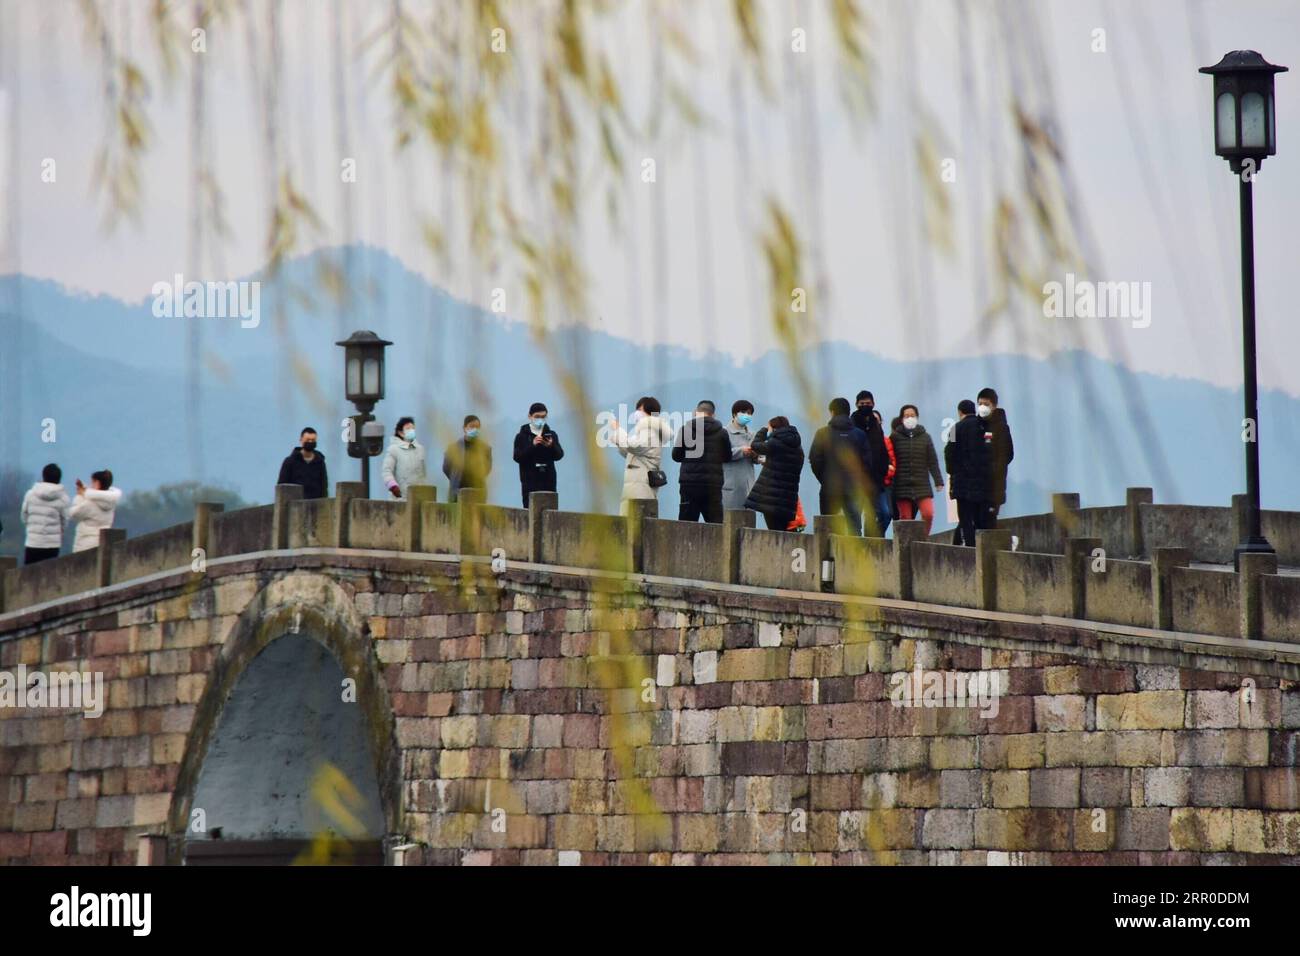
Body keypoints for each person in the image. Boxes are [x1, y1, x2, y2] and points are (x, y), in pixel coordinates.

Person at [809, 397, 872, 534]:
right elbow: (867, 463)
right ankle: (854, 555)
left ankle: (827, 556)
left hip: (830, 487)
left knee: (827, 527)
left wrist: (824, 479)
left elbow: (814, 459)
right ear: (849, 412)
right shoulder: (859, 435)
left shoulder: (822, 433)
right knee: (854, 527)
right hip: (854, 488)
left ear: (832, 412)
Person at [671, 400, 731, 523]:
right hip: (713, 485)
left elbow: (676, 456)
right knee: (716, 524)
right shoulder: (722, 432)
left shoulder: (685, 429)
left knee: (686, 524)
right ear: (713, 414)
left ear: (696, 413)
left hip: (689, 484)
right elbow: (727, 457)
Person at [612, 396, 675, 513]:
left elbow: (633, 446)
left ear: (649, 412)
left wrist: (618, 431)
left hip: (641, 486)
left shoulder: (650, 430)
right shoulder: (647, 431)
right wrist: (618, 438)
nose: (636, 413)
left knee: (637, 523)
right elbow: (629, 452)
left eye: (639, 410)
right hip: (636, 484)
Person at [890, 405, 944, 535]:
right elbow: (890, 457)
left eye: (912, 415)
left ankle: (923, 539)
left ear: (917, 417)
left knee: (928, 513)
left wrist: (938, 480)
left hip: (922, 485)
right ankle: (907, 546)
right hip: (902, 485)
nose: (910, 418)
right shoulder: (895, 437)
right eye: (906, 416)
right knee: (905, 520)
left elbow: (932, 460)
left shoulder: (925, 437)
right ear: (902, 418)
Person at [945, 399, 992, 547]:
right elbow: (991, 449)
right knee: (980, 518)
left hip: (962, 482)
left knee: (965, 519)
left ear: (960, 412)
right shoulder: (985, 427)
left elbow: (949, 453)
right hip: (982, 481)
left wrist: (952, 471)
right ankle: (983, 549)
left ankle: (971, 549)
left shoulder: (954, 429)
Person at [744, 416, 804, 530]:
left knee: (774, 533)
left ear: (774, 429)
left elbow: (755, 445)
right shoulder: (797, 447)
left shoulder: (775, 443)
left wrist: (763, 431)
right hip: (788, 499)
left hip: (772, 498)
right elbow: (783, 463)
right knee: (784, 533)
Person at [850, 390, 891, 535]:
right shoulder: (852, 424)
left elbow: (882, 450)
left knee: (885, 514)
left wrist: (883, 470)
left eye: (868, 403)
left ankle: (874, 539)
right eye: (862, 404)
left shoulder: (876, 425)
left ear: (873, 404)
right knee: (855, 516)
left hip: (876, 480)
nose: (865, 406)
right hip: (857, 480)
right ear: (856, 404)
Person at [513, 403, 565, 507]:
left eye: (543, 417)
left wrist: (551, 446)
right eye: (537, 417)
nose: (540, 419)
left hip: (548, 482)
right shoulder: (521, 436)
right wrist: (532, 445)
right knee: (530, 513)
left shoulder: (551, 435)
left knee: (550, 513)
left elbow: (559, 455)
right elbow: (517, 457)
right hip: (530, 483)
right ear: (530, 416)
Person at [977, 387, 1015, 527]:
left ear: (994, 406)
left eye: (986, 404)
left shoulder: (1001, 427)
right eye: (980, 404)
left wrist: (995, 469)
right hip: (977, 486)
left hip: (994, 485)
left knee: (990, 522)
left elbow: (1008, 454)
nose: (983, 407)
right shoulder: (976, 426)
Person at [20, 463, 70, 565]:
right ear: (59, 478)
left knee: (29, 576)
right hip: (52, 544)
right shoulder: (63, 498)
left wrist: (32, 527)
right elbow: (65, 521)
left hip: (33, 542)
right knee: (49, 577)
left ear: (43, 476)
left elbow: (24, 516)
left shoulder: (30, 494)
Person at [69, 469, 123, 552]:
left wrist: (80, 496)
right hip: (103, 541)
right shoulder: (111, 503)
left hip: (85, 543)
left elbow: (73, 513)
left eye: (92, 482)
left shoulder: (90, 504)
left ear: (97, 483)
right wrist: (86, 493)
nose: (91, 485)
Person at [442, 415, 492, 503]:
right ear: (465, 428)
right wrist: (456, 477)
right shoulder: (454, 447)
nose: (475, 429)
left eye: (477, 427)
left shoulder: (485, 448)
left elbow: (487, 467)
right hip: (457, 492)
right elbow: (446, 467)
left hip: (478, 492)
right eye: (472, 426)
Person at [722, 400, 758, 511]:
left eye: (749, 413)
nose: (747, 415)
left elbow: (757, 459)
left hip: (748, 485)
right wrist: (741, 451)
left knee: (748, 522)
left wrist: (756, 456)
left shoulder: (753, 434)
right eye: (743, 412)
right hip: (731, 485)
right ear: (734, 414)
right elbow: (721, 453)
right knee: (729, 522)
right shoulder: (724, 432)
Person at [277, 426, 329, 499]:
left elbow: (324, 486)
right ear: (301, 440)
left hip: (316, 505)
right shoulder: (290, 462)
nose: (310, 442)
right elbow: (282, 486)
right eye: (307, 440)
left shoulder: (320, 462)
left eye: (313, 440)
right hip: (294, 505)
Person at [382, 416, 428, 499]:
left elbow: (423, 474)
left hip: (418, 497)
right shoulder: (393, 449)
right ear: (401, 432)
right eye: (408, 428)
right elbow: (386, 471)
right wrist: (393, 486)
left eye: (413, 428)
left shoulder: (420, 449)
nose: (411, 431)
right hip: (400, 498)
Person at [874, 409, 896, 535]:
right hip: (869, 485)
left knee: (887, 514)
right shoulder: (863, 438)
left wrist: (887, 473)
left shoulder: (886, 440)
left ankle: (877, 538)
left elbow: (892, 462)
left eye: (877, 420)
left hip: (885, 484)